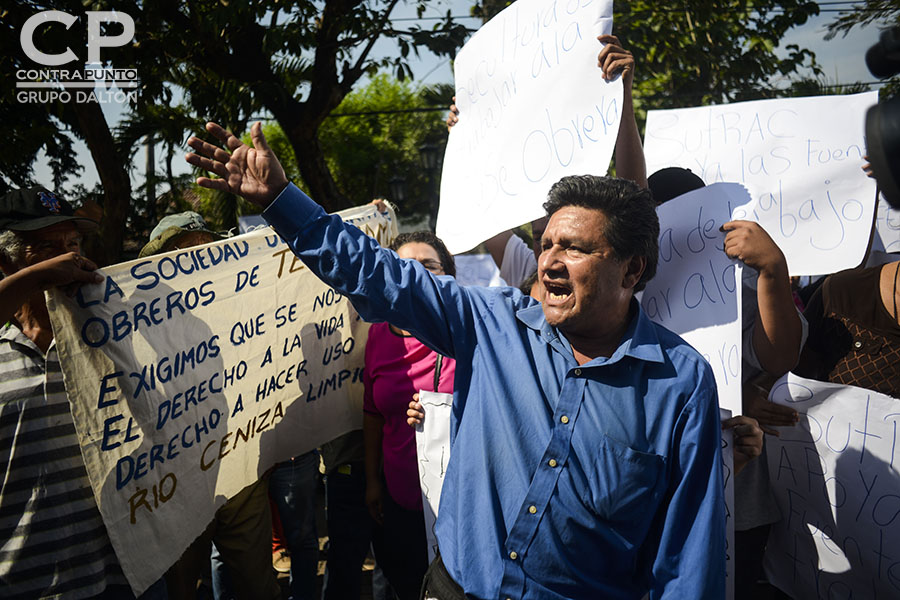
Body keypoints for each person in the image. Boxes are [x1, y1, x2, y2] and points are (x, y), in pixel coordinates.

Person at [185, 123, 726, 599]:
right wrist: (281, 198)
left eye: (576, 249)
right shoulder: (491, 323)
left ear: (633, 270)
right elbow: (379, 274)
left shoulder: (680, 382)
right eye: (545, 245)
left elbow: (686, 556)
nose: (551, 263)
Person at [0, 187, 164, 599]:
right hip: (24, 582)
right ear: (6, 262)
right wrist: (34, 280)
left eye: (72, 244)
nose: (68, 259)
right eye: (46, 248)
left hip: (117, 575)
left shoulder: (110, 334)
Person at [137, 212, 281, 600]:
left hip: (240, 466)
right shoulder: (132, 319)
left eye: (206, 247)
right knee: (181, 588)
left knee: (259, 586)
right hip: (176, 479)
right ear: (158, 262)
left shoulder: (239, 300)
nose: (198, 257)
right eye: (185, 251)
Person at [363, 232, 457, 600]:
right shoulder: (377, 336)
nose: (415, 276)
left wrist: (445, 412)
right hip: (399, 498)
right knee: (407, 583)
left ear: (448, 275)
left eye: (428, 267)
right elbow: (372, 413)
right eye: (404, 267)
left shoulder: (463, 331)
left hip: (456, 501)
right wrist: (373, 481)